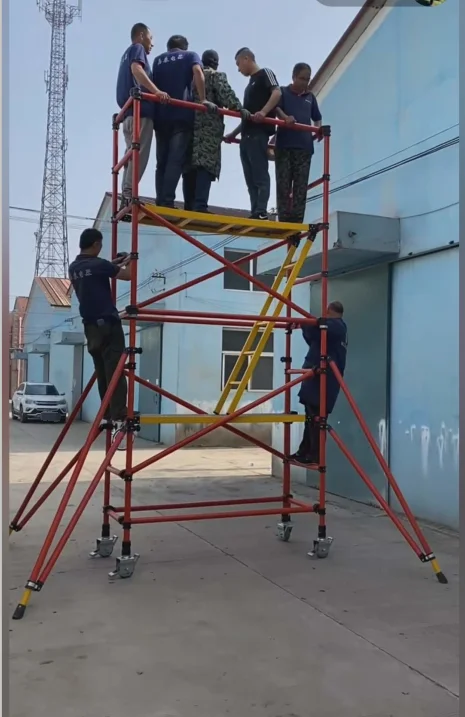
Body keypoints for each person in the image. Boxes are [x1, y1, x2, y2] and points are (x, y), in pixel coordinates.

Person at [69, 228, 133, 448]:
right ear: (96, 244)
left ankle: (106, 414)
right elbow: (128, 275)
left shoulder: (75, 267)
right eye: (101, 245)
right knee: (116, 370)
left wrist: (114, 262)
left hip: (90, 329)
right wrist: (132, 260)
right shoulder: (99, 266)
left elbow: (100, 268)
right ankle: (120, 418)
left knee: (102, 372)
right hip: (108, 326)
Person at [152, 35, 213, 208]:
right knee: (175, 160)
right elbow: (198, 72)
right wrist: (203, 99)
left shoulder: (157, 60)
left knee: (161, 161)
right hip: (181, 115)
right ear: (185, 47)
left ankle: (160, 199)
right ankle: (167, 201)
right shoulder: (190, 56)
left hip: (160, 115)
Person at [183, 50, 246, 213]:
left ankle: (189, 205)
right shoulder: (215, 76)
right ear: (216, 63)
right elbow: (228, 97)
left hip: (188, 125)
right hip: (208, 127)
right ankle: (200, 205)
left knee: (190, 165)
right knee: (206, 165)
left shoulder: (190, 76)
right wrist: (241, 110)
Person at [116, 23, 169, 212]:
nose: (152, 43)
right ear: (141, 35)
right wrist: (157, 92)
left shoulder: (125, 54)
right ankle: (129, 194)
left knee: (131, 154)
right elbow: (137, 70)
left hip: (128, 113)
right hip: (140, 112)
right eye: (151, 38)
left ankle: (125, 194)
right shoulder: (137, 50)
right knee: (139, 155)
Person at [224, 48, 281, 220]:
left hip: (259, 134)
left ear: (246, 58)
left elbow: (277, 92)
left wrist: (263, 112)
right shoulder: (250, 86)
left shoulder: (265, 73)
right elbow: (247, 116)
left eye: (238, 64)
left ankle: (262, 210)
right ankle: (255, 210)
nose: (238, 69)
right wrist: (233, 134)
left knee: (260, 174)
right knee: (250, 178)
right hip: (246, 136)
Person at [290, 301, 348, 465]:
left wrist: (307, 323)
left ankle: (313, 454)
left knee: (316, 419)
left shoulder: (336, 327)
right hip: (317, 379)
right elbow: (313, 334)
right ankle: (305, 451)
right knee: (310, 419)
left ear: (329, 310)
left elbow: (316, 329)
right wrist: (305, 324)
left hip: (323, 380)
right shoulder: (331, 330)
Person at [274, 63, 322, 224]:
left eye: (307, 79)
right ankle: (284, 219)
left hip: (304, 147)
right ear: (293, 77)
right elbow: (277, 109)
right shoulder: (282, 92)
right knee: (283, 184)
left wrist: (318, 130)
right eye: (302, 78)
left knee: (301, 187)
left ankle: (297, 220)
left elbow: (317, 117)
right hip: (285, 146)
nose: (305, 83)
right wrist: (285, 117)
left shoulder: (310, 97)